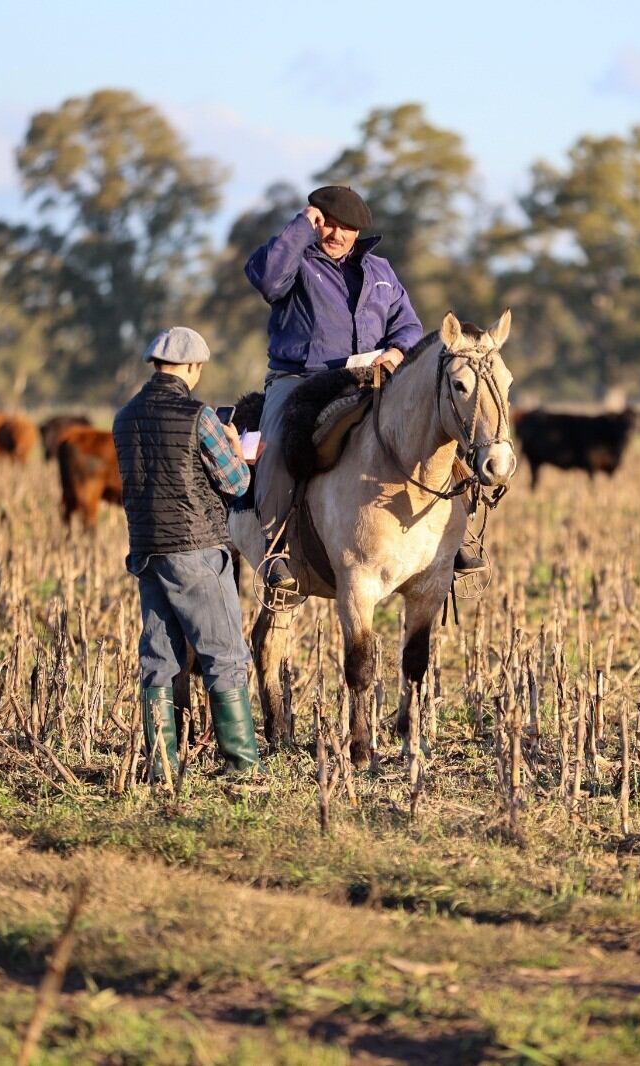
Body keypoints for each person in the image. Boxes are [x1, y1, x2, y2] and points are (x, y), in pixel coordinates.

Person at [244, 185, 486, 593]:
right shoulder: (294, 261)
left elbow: (407, 324)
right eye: (327, 223)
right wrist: (301, 228)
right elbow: (267, 282)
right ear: (315, 220)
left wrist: (396, 351)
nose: (336, 234)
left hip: (373, 378)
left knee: (441, 430)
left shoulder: (381, 272)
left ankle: (456, 538)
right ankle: (277, 549)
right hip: (302, 379)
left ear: (360, 232)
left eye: (346, 227)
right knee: (280, 443)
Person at [113, 326, 261, 781]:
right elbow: (236, 483)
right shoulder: (200, 417)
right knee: (225, 655)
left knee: (160, 658)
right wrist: (237, 450)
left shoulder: (124, 417)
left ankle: (161, 767)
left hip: (146, 550)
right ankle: (241, 766)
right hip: (196, 549)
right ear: (194, 367)